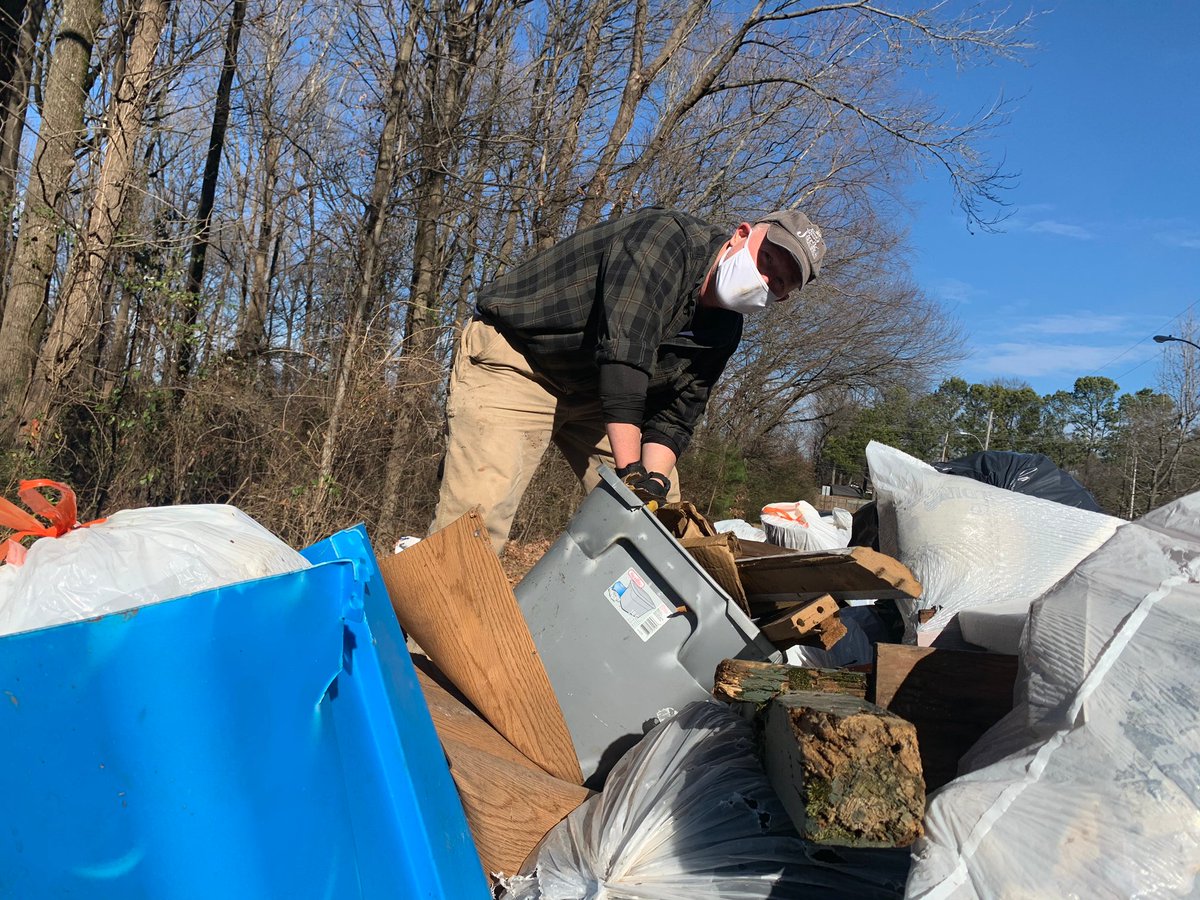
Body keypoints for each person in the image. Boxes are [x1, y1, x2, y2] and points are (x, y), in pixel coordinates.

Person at [429, 206, 826, 554]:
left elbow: (676, 415)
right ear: (741, 236)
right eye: (767, 260)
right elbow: (624, 354)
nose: (765, 278)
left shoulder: (724, 334)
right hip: (519, 361)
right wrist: (630, 474)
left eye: (779, 283)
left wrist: (651, 483)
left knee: (663, 525)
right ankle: (431, 634)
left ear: (784, 298)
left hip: (596, 396)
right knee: (477, 518)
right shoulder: (665, 239)